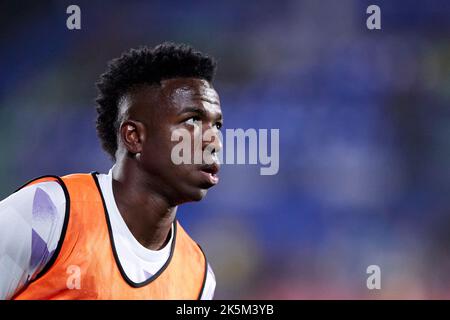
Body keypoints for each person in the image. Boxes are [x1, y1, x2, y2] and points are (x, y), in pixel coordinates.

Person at [0, 42, 223, 299]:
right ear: (134, 137)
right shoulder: (49, 212)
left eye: (217, 125)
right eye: (192, 120)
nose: (213, 140)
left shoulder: (199, 278)